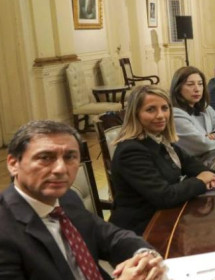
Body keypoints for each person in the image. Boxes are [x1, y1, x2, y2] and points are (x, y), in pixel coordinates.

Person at [1, 120, 166, 280]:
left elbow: (113, 237)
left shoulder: (67, 198)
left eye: (70, 157)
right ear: (13, 163)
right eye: (45, 157)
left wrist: (144, 255)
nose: (60, 169)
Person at [109, 86, 215, 235]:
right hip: (140, 230)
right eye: (151, 110)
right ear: (135, 114)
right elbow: (165, 196)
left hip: (165, 217)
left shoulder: (158, 139)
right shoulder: (131, 151)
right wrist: (200, 181)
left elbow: (192, 164)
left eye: (164, 108)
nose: (161, 115)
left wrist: (208, 175)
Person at [170, 66, 215, 156]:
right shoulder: (175, 114)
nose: (197, 89)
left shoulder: (205, 107)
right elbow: (203, 145)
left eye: (200, 84)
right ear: (178, 88)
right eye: (190, 84)